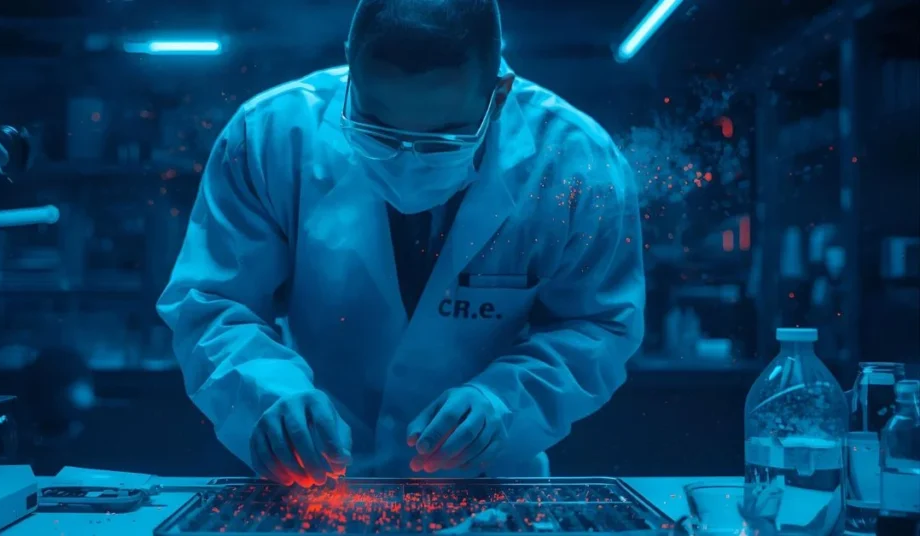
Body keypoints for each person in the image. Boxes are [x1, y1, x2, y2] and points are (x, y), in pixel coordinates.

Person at [158, 0, 645, 487]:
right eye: (375, 128)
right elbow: (213, 302)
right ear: (352, 63)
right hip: (312, 479)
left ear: (499, 96)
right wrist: (266, 389)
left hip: (486, 483)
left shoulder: (574, 166)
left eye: (443, 141)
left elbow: (598, 324)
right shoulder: (268, 137)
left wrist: (507, 401)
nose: (407, 161)